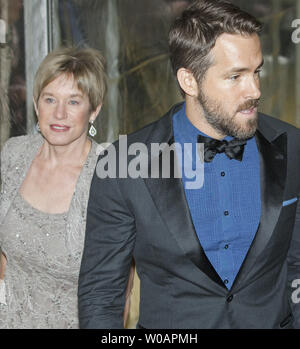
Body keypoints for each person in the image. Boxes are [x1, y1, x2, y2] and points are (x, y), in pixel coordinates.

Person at [78, 0, 300, 329]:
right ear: (189, 81)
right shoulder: (123, 164)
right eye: (235, 76)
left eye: (256, 71)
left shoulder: (292, 145)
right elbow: (101, 295)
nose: (254, 89)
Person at [0, 47, 133, 329]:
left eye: (73, 102)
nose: (59, 113)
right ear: (37, 105)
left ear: (94, 110)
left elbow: (118, 294)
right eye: (50, 99)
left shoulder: (109, 177)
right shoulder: (13, 155)